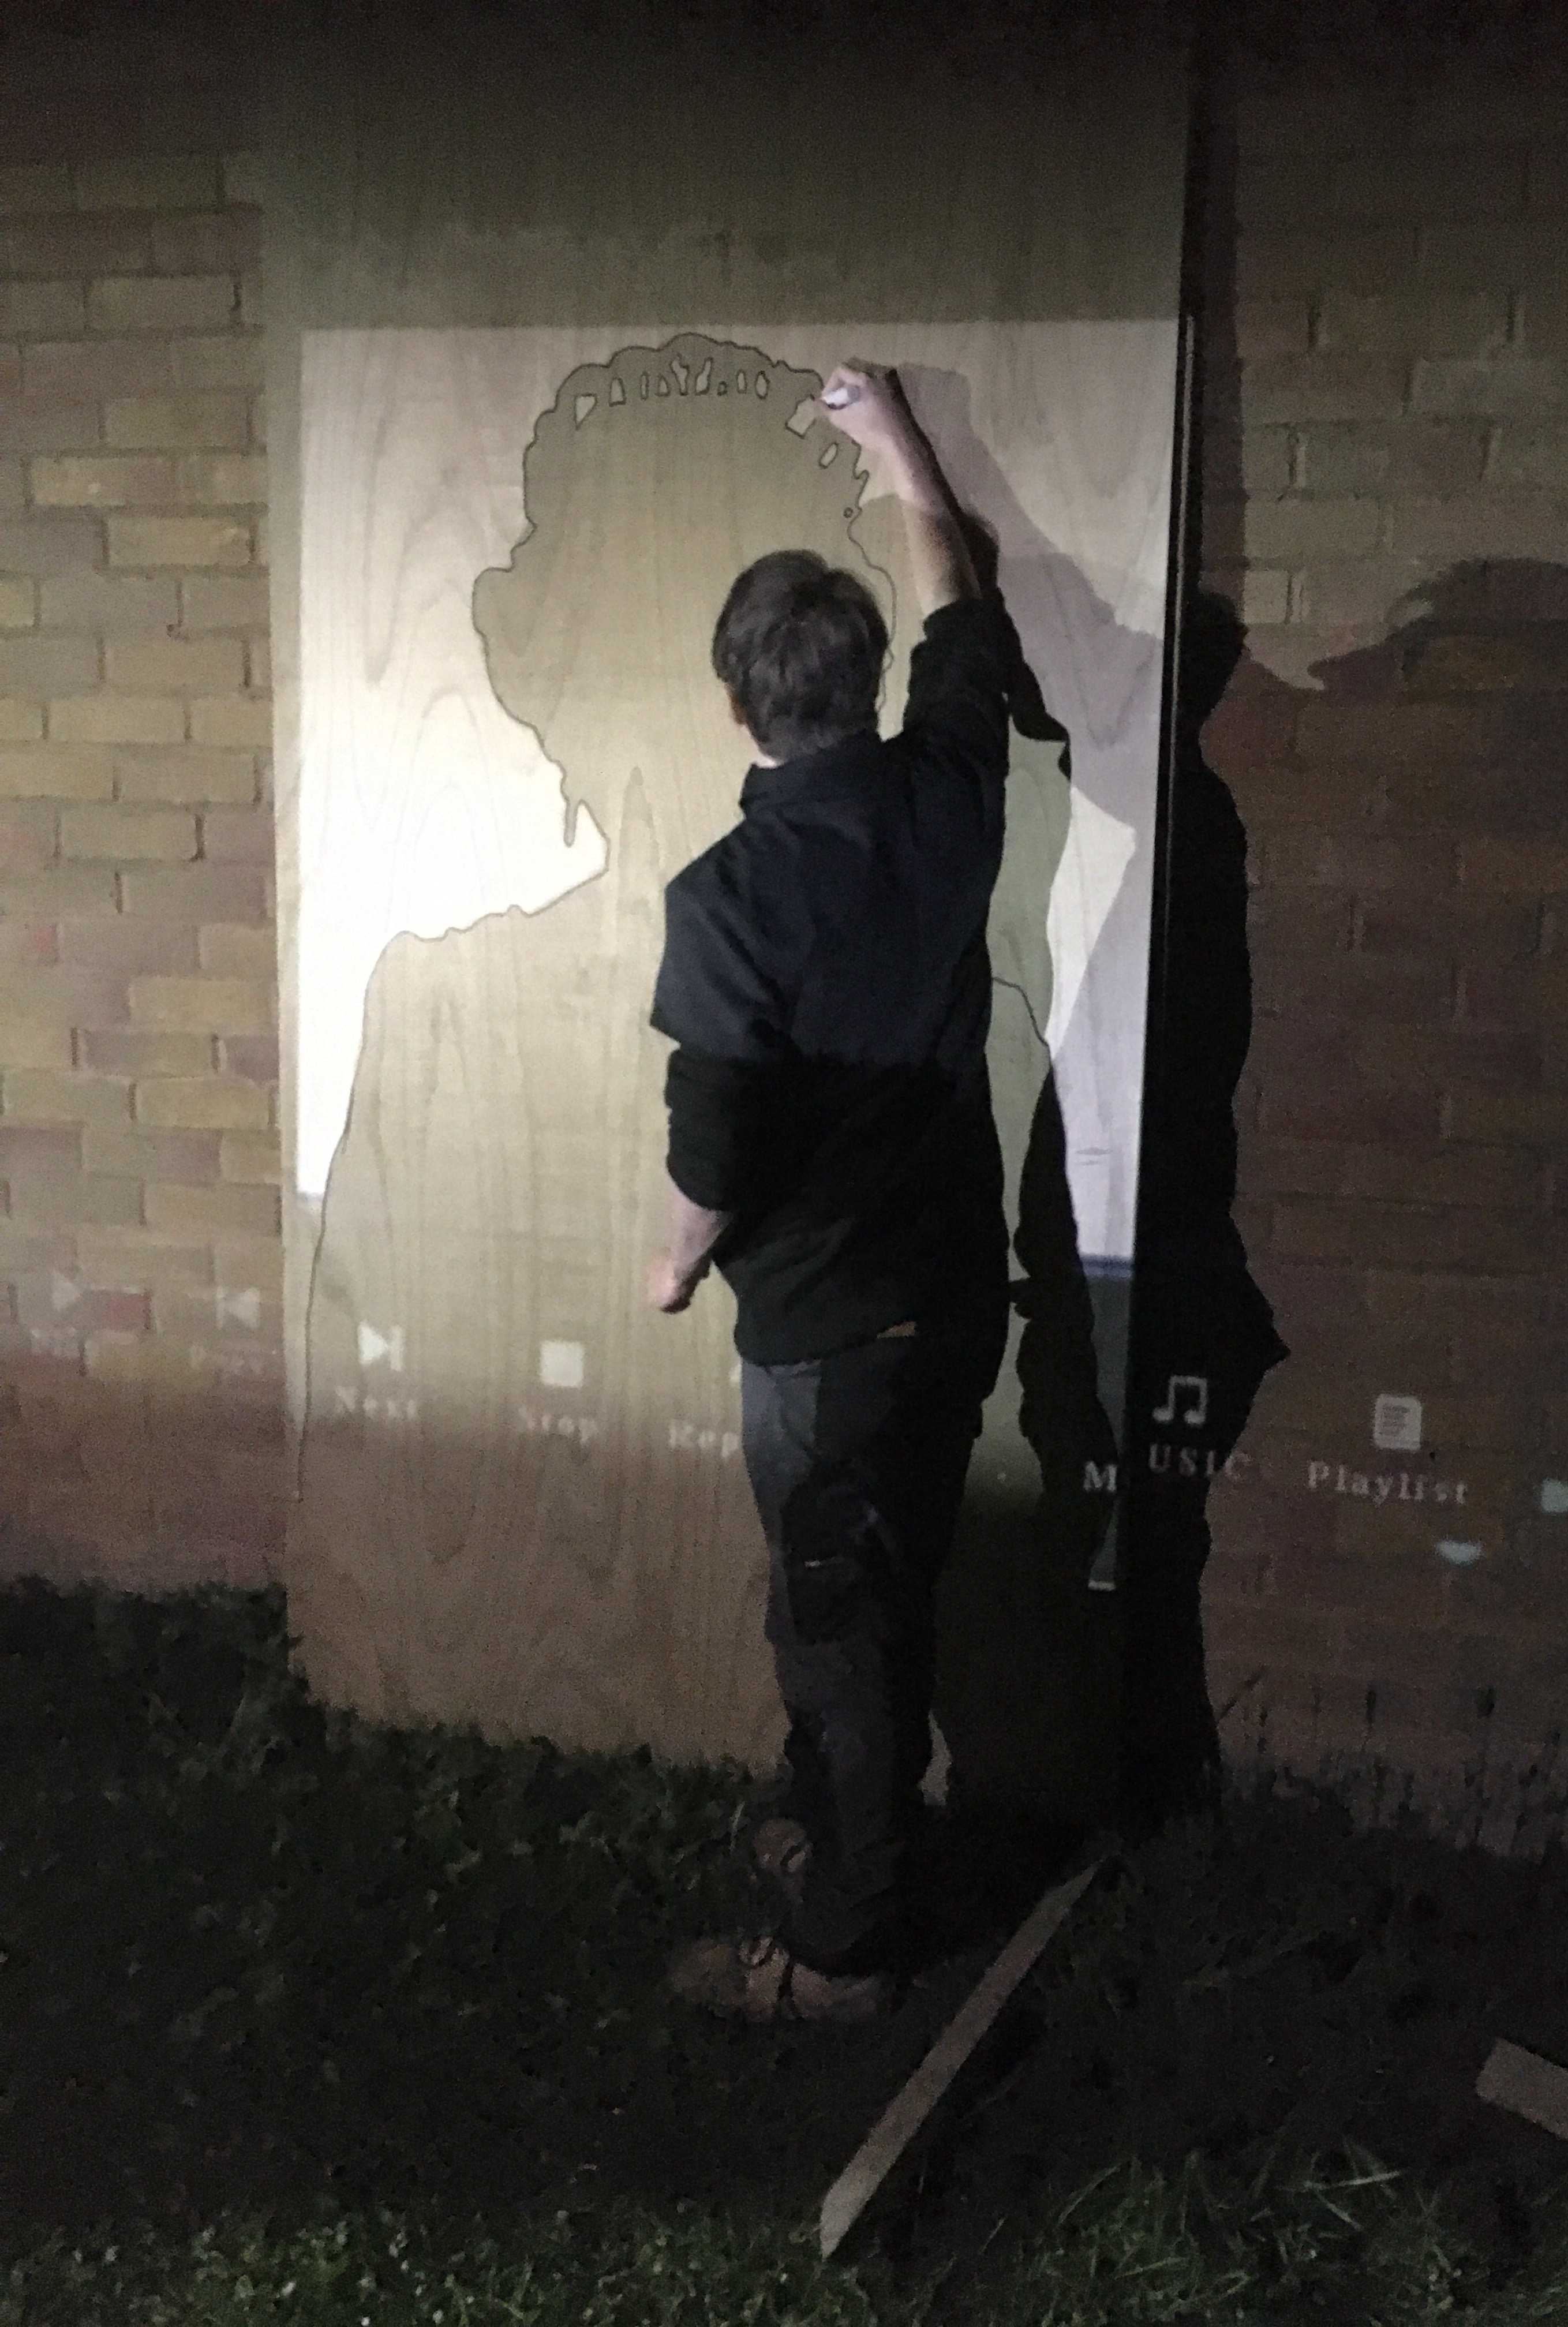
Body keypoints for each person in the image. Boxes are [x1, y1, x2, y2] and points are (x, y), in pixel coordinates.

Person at [647, 362, 1012, 2023]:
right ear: (865, 684)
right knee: (875, 1594)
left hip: (822, 1335)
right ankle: (833, 1830)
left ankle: (851, 1952)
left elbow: (715, 1145)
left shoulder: (727, 896)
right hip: (956, 1295)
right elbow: (958, 599)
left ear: (740, 709)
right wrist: (895, 447)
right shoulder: (949, 787)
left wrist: (671, 1270)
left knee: (840, 1632)